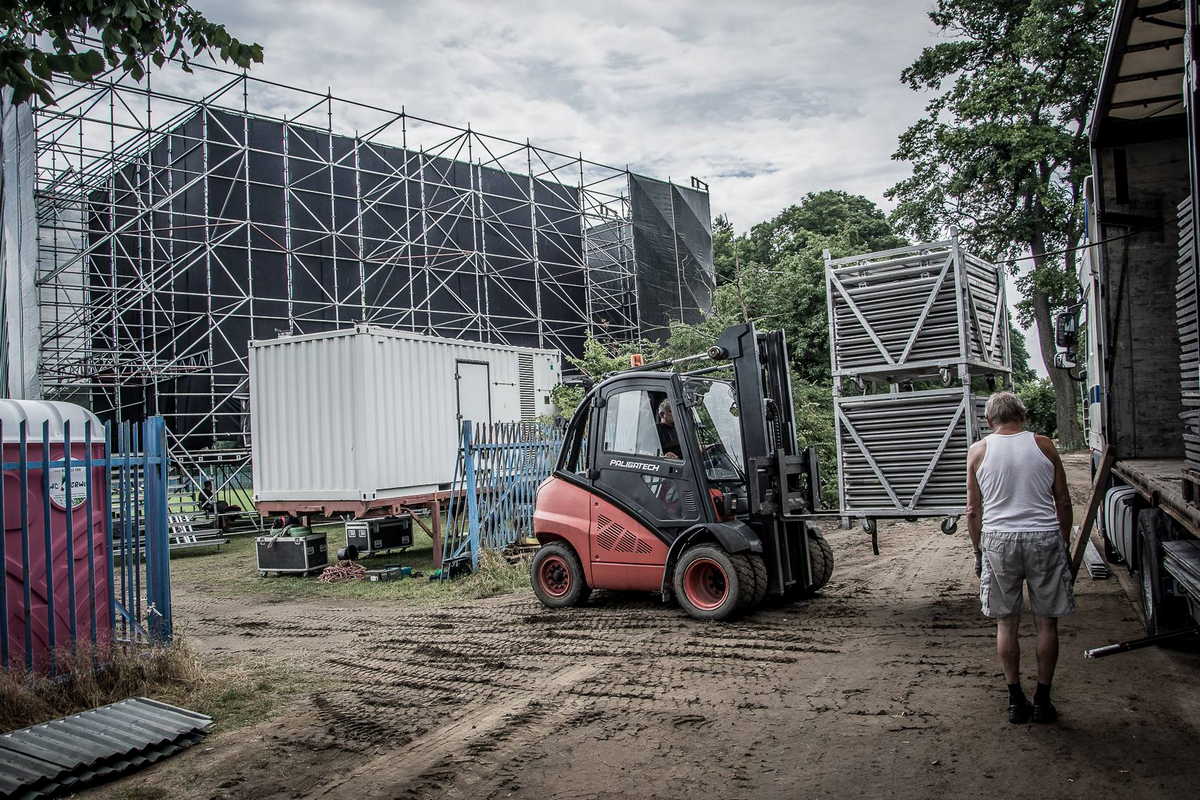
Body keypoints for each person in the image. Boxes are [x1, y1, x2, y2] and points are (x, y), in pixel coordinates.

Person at [966, 391, 1074, 724]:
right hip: (1043, 538)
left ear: (988, 420)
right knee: (1046, 622)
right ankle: (1043, 700)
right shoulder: (1044, 445)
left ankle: (1016, 700)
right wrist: (1063, 544)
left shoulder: (978, 451)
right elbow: (1064, 502)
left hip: (998, 541)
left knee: (1006, 622)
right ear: (1022, 416)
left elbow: (973, 511)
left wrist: (978, 551)